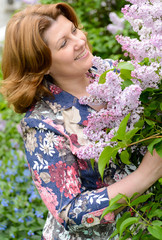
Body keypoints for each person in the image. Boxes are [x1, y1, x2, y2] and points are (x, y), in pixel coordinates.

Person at [1, 3, 162, 240]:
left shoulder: (109, 72)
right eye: (63, 43)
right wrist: (147, 174)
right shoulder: (42, 125)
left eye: (74, 30)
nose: (79, 41)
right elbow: (69, 211)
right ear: (41, 64)